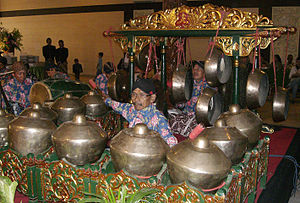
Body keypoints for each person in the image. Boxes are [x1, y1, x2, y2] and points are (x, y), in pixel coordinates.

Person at [103, 78, 178, 147]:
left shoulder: (159, 119)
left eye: (142, 95)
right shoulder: (131, 110)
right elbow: (118, 106)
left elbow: (171, 143)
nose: (136, 99)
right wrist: (106, 100)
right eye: (134, 94)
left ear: (152, 98)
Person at [169, 61, 210, 138]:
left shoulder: (209, 88)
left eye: (198, 69)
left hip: (199, 118)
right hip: (185, 114)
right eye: (194, 69)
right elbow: (182, 102)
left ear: (204, 72)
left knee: (191, 127)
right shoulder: (188, 83)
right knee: (172, 119)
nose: (195, 71)